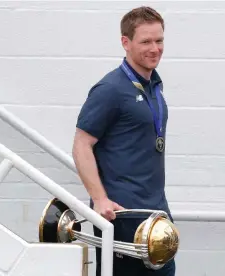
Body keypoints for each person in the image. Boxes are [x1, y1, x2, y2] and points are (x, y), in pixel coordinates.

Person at [72, 6, 176, 276]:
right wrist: (100, 199)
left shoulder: (154, 86)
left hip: (156, 214)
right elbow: (82, 144)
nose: (155, 48)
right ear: (125, 43)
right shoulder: (110, 89)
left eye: (159, 40)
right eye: (146, 42)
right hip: (122, 216)